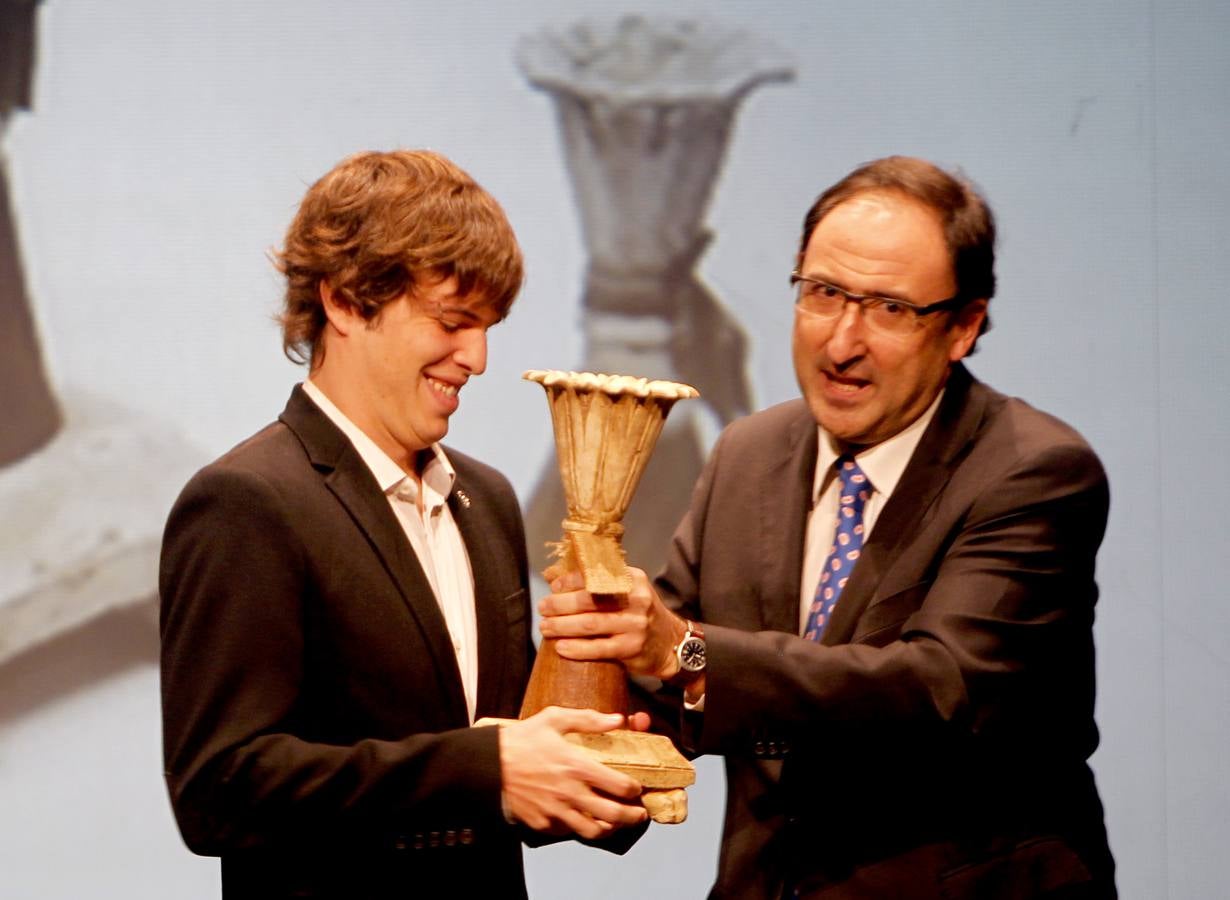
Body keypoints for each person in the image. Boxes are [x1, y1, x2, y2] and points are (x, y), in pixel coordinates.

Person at [540, 156, 1117, 898]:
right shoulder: (749, 454)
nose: (841, 343)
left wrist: (680, 650)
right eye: (824, 294)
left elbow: (938, 691)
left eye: (889, 309)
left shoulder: (1034, 471)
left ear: (963, 327)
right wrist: (579, 707)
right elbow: (669, 682)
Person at [159, 149, 647, 900]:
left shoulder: (486, 501)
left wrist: (593, 769)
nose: (478, 358)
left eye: (488, 326)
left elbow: (509, 769)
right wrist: (487, 769)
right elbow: (221, 788)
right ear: (348, 301)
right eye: (454, 321)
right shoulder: (245, 503)